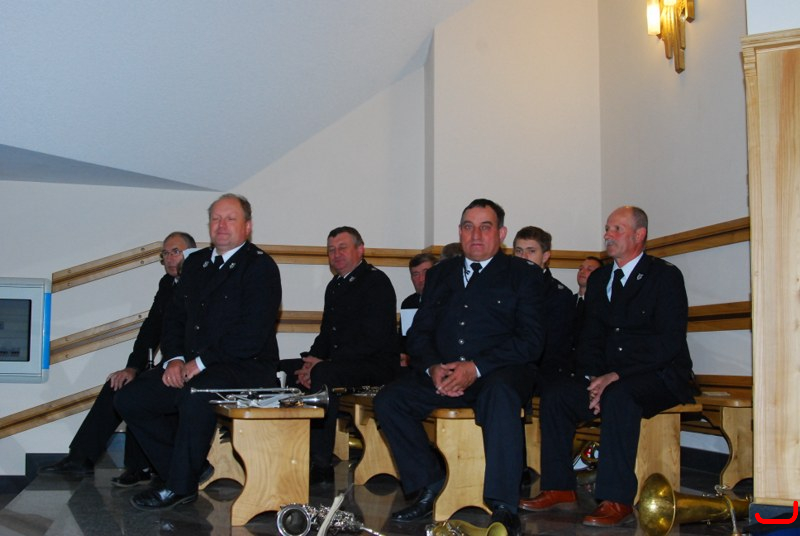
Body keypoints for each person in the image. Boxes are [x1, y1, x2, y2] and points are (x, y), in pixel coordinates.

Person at [374, 198, 545, 536]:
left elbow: (531, 341)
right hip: (445, 373)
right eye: (468, 227)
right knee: (389, 400)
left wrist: (476, 368)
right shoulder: (440, 274)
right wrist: (432, 368)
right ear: (459, 232)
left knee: (501, 395)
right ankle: (429, 483)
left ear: (501, 234)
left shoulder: (523, 275)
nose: (475, 235)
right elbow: (419, 334)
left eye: (485, 227)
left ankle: (504, 505)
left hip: (498, 372)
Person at [519, 206, 696, 528]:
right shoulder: (601, 279)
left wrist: (616, 376)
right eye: (607, 229)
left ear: (639, 235)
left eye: (616, 229)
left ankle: (616, 499)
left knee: (619, 396)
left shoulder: (664, 276)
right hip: (608, 377)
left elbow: (668, 343)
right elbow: (590, 337)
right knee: (558, 394)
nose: (607, 235)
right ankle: (559, 487)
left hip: (657, 375)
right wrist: (591, 378)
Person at [115, 193, 282, 511]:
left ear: (247, 226)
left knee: (195, 393)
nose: (222, 225)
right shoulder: (195, 263)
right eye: (216, 219)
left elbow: (251, 334)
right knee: (130, 398)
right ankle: (185, 468)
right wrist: (175, 359)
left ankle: (179, 487)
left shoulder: (260, 267)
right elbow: (174, 318)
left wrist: (200, 363)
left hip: (244, 366)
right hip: (194, 364)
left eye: (230, 219)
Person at [39, 232, 196, 484]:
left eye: (175, 252)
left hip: (192, 369)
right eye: (165, 254)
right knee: (119, 383)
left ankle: (139, 467)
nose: (169, 259)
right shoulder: (167, 284)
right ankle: (80, 458)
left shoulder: (201, 284)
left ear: (191, 253)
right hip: (167, 367)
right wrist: (132, 368)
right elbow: (150, 330)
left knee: (138, 395)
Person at [283, 226, 400, 486]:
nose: (336, 254)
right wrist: (309, 362)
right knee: (288, 369)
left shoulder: (376, 282)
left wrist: (325, 363)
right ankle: (292, 453)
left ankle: (321, 462)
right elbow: (326, 335)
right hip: (344, 363)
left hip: (376, 365)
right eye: (331, 250)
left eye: (342, 248)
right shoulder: (334, 286)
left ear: (360, 250)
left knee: (324, 374)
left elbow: (373, 339)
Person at [512, 226, 574, 379]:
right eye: (519, 251)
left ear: (545, 256)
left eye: (531, 251)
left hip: (540, 372)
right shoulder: (503, 288)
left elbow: (552, 348)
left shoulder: (560, 295)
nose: (523, 257)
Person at [399, 252, 437, 366]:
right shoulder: (408, 303)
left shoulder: (448, 301)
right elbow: (404, 340)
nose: (421, 279)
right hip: (414, 363)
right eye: (415, 274)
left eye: (426, 272)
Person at [572, 256, 604, 354]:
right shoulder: (567, 300)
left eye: (589, 269)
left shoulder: (602, 306)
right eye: (580, 268)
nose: (582, 272)